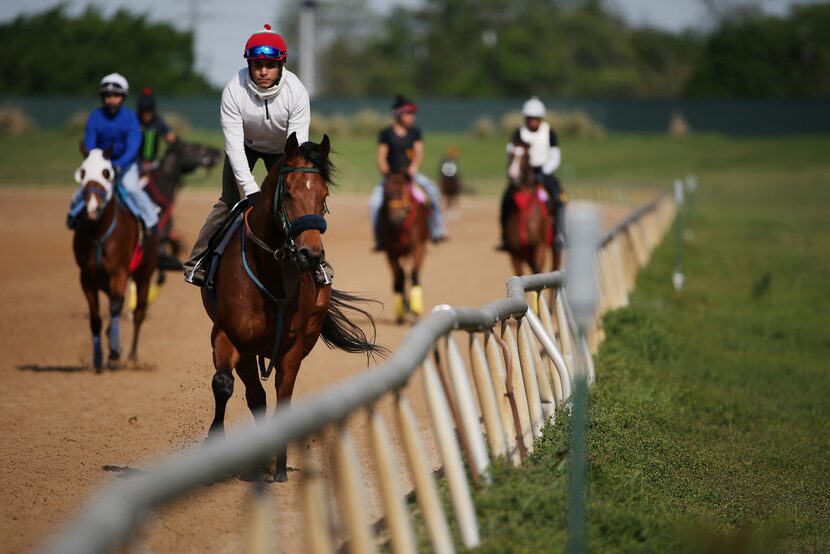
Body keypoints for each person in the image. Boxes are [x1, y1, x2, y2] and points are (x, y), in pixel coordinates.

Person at [184, 24, 310, 286]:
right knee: (228, 201)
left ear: (281, 64)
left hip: (283, 150)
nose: (263, 71)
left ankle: (317, 265)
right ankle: (197, 261)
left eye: (270, 65)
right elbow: (233, 146)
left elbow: (296, 147)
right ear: (249, 65)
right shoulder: (233, 90)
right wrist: (250, 190)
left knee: (299, 202)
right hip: (245, 146)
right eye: (256, 64)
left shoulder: (296, 91)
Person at [67, 73, 159, 232]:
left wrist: (119, 165)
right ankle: (73, 214)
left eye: (116, 95)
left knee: (131, 188)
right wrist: (96, 161)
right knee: (86, 189)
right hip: (100, 164)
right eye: (107, 95)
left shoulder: (130, 118)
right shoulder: (95, 117)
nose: (111, 99)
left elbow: (133, 146)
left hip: (125, 164)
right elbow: (90, 142)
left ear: (123, 97)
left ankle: (151, 220)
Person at [370, 95, 447, 251]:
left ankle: (437, 230)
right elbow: (381, 157)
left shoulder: (415, 133)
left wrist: (413, 168)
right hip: (391, 178)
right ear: (398, 114)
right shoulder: (386, 134)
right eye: (408, 114)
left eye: (413, 114)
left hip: (411, 176)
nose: (412, 117)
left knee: (432, 193)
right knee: (374, 203)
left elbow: (419, 152)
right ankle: (380, 239)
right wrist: (387, 174)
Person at [498, 96, 566, 249]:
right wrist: (515, 170)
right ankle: (505, 237)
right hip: (523, 175)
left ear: (540, 118)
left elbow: (555, 156)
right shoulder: (519, 132)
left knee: (560, 198)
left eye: (535, 118)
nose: (532, 121)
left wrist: (544, 172)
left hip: (544, 172)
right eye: (529, 118)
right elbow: (510, 151)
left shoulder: (549, 132)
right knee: (506, 199)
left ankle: (560, 234)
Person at [136, 87, 178, 176]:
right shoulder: (134, 121)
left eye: (149, 113)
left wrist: (174, 139)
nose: (146, 116)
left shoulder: (157, 121)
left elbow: (170, 135)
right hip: (136, 161)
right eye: (144, 113)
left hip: (153, 161)